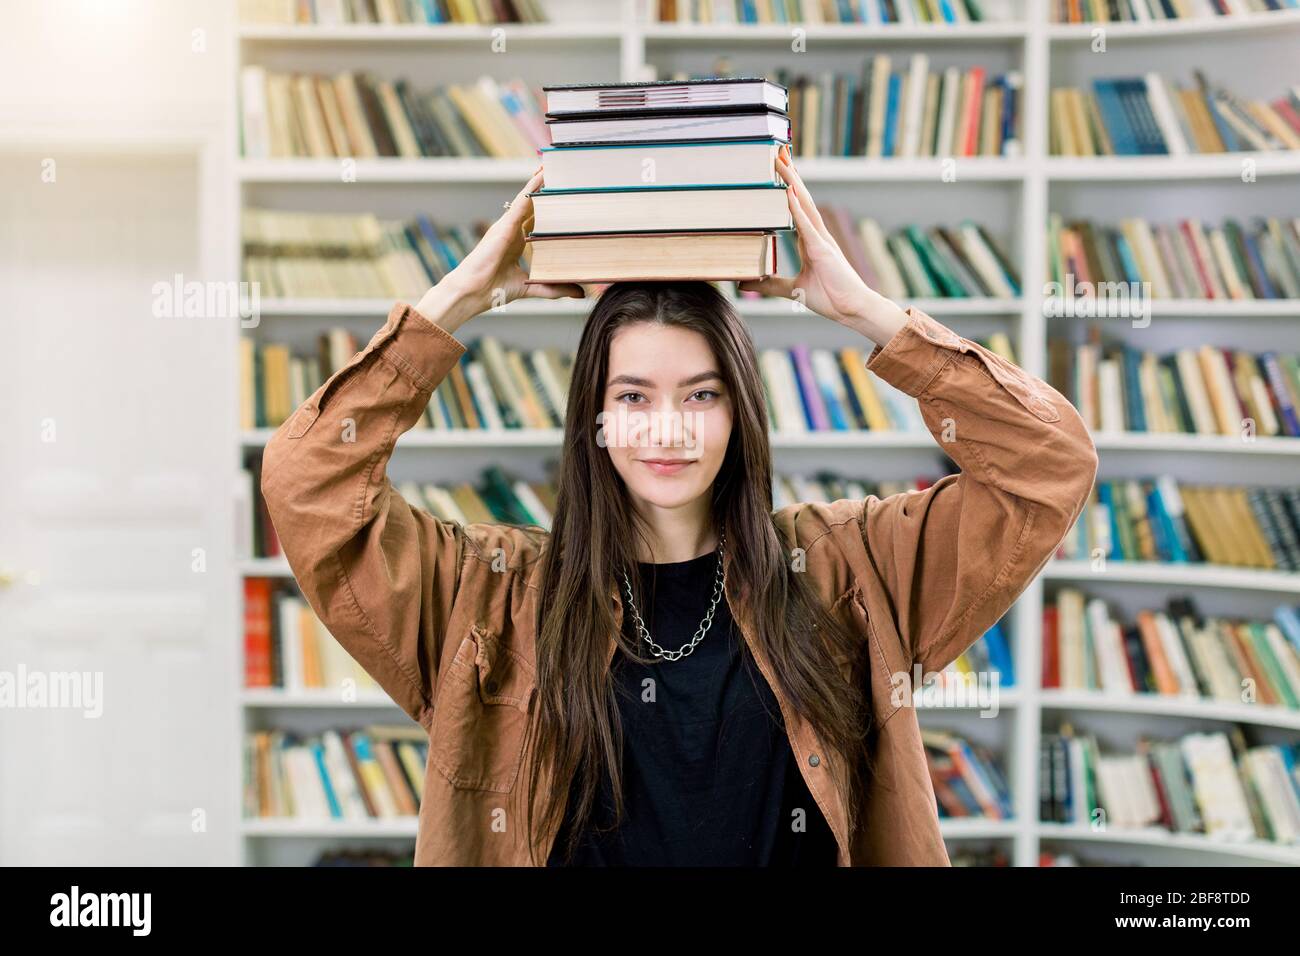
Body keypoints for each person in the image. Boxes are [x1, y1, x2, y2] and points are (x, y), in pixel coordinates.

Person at [260, 152, 1099, 866]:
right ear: (594, 416)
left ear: (741, 413)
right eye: (633, 395)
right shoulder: (489, 600)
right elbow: (309, 484)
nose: (668, 427)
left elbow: (1049, 465)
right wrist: (466, 294)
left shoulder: (852, 570)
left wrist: (862, 308)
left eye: (701, 394)